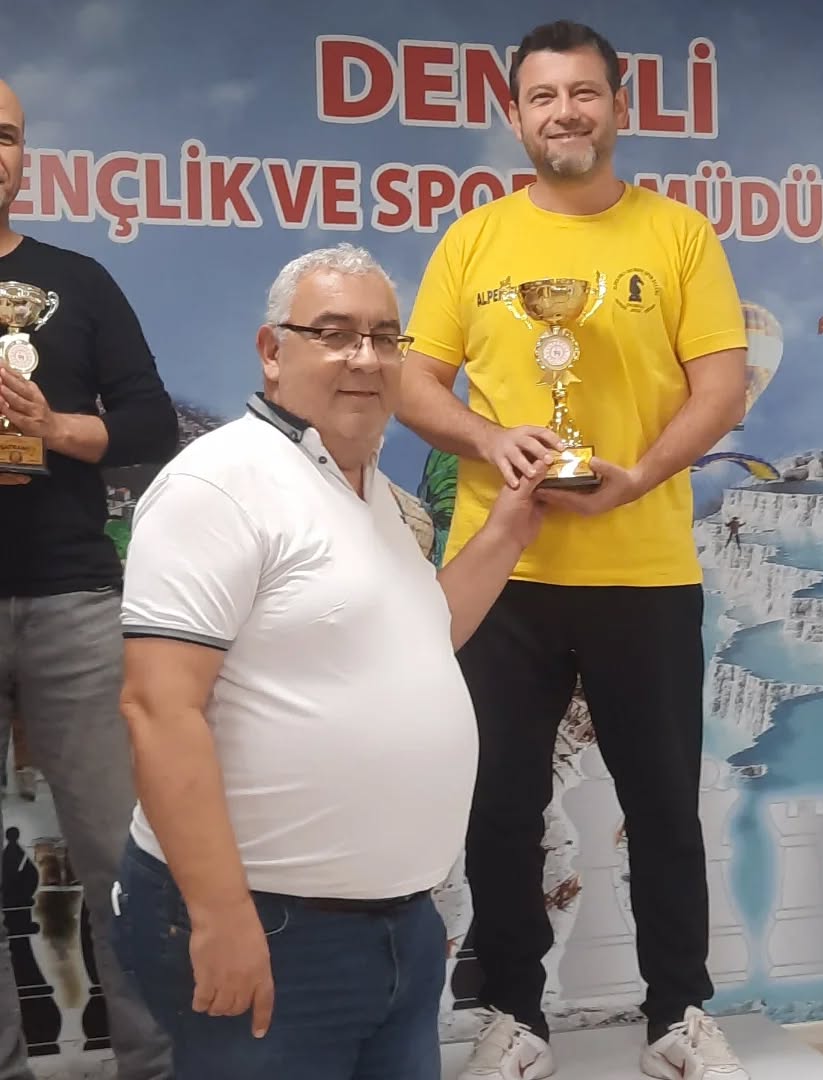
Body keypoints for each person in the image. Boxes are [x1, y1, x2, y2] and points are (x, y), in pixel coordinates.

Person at [397, 20, 749, 1080]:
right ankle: (514, 1013)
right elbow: (416, 381)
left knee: (663, 807)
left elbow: (721, 389)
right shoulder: (475, 240)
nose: (565, 113)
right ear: (516, 117)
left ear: (618, 108)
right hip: (503, 574)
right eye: (544, 97)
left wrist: (639, 474)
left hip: (643, 570)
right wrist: (486, 438)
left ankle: (679, 1014)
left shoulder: (678, 235)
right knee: (500, 806)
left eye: (584, 93)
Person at [110, 243, 546, 1080]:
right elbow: (159, 708)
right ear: (273, 351)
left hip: (397, 928)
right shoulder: (222, 484)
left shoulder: (366, 489)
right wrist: (219, 915)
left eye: (385, 337)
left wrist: (508, 531)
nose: (366, 359)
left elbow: (419, 636)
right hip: (269, 928)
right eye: (336, 334)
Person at [0, 79, 177, 1080]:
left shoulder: (77, 280)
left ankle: (155, 1067)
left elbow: (150, 423)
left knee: (117, 857)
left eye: (6, 136)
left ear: (25, 154)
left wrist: (52, 429)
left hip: (72, 598)